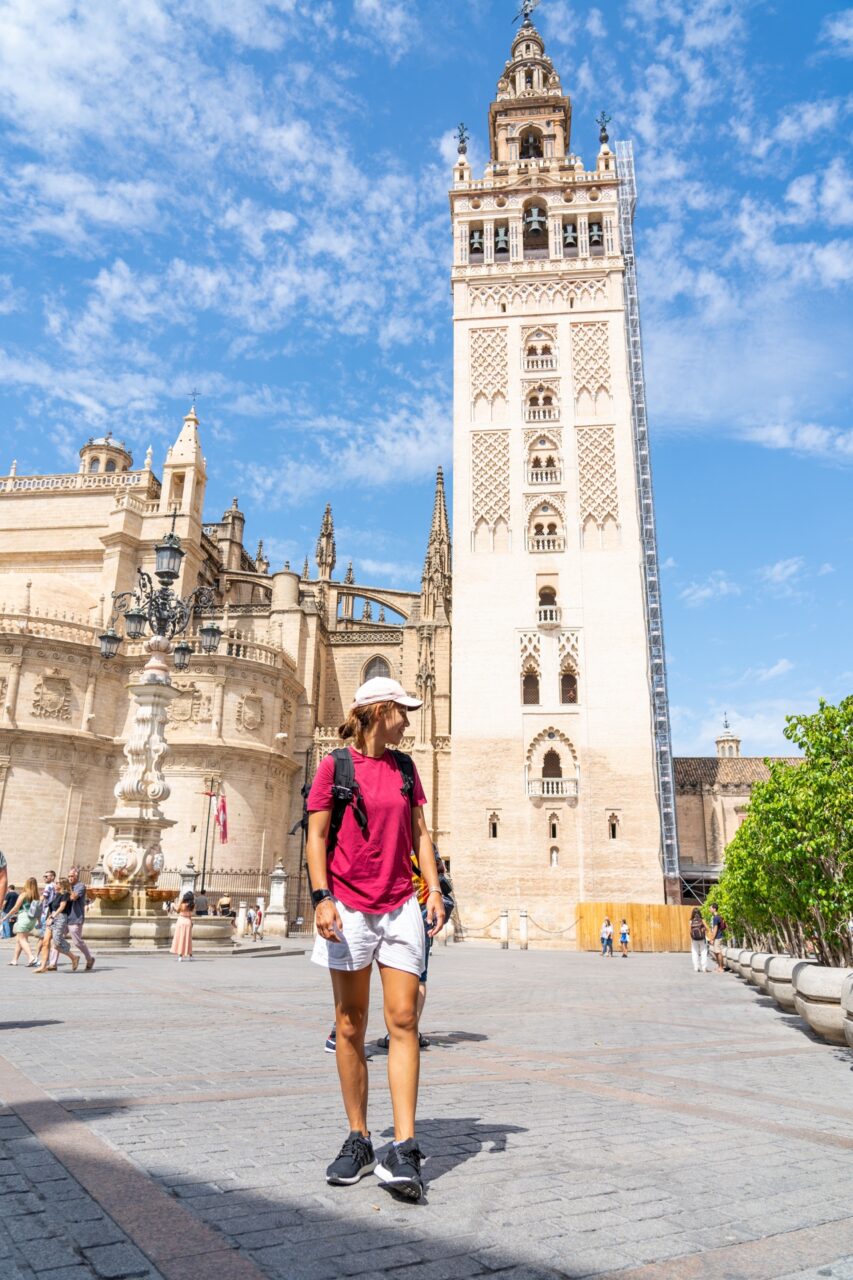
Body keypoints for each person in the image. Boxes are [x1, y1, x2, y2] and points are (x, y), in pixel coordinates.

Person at [307, 676, 445, 1202]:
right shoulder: (334, 766)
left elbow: (421, 832)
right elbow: (317, 835)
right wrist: (322, 897)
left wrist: (432, 888)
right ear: (380, 711)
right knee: (349, 1024)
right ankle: (360, 1138)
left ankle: (405, 1144)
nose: (408, 721)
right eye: (402, 712)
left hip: (399, 905)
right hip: (348, 908)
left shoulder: (406, 768)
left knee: (404, 1019)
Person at [39, 877, 79, 972]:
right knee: (45, 942)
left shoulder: (65, 894)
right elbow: (53, 908)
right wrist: (50, 916)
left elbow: (62, 907)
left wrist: (53, 917)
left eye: (57, 883)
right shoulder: (57, 894)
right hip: (52, 917)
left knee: (57, 943)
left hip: (60, 918)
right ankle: (43, 966)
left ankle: (74, 957)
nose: (55, 885)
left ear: (61, 885)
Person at [2, 878, 40, 965]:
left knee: (22, 939)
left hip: (24, 918)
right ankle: (14, 960)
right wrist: (39, 921)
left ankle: (31, 958)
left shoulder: (23, 895)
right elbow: (38, 910)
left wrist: (6, 917)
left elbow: (15, 908)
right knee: (19, 940)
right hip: (32, 919)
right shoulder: (36, 896)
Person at [67, 866, 95, 971]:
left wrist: (68, 889)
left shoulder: (80, 886)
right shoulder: (68, 886)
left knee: (77, 942)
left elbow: (73, 897)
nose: (70, 878)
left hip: (75, 917)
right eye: (69, 876)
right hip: (65, 918)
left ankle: (89, 959)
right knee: (56, 940)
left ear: (77, 876)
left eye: (72, 876)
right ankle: (52, 963)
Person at [171, 892, 195, 961]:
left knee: (181, 938)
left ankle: (180, 956)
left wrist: (180, 901)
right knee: (188, 939)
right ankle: (190, 955)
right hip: (188, 921)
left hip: (181, 921)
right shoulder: (192, 905)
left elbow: (177, 911)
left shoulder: (182, 905)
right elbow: (191, 915)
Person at [689, 907, 708, 972]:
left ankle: (696, 967)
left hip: (694, 939)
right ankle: (704, 968)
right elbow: (707, 928)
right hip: (702, 939)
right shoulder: (702, 920)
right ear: (699, 913)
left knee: (695, 953)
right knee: (703, 952)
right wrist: (704, 930)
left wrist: (692, 938)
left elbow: (690, 931)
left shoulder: (691, 921)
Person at [709, 901, 726, 973]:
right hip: (718, 936)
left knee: (718, 952)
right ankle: (719, 966)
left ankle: (721, 967)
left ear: (714, 909)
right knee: (716, 952)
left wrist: (712, 938)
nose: (709, 909)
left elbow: (715, 929)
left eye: (710, 908)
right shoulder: (718, 916)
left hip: (718, 937)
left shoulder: (716, 918)